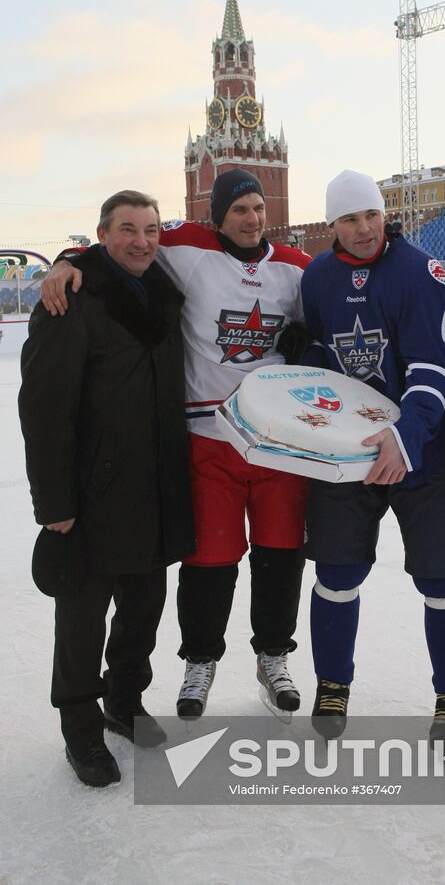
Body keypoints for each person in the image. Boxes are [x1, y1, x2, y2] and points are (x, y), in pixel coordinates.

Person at [38, 170, 310, 721]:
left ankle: (274, 655)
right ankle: (200, 660)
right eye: (238, 209)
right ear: (218, 216)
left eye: (257, 207)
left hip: (277, 442)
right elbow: (116, 250)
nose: (251, 218)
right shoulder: (182, 244)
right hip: (208, 435)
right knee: (209, 558)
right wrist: (67, 258)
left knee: (281, 552)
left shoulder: (298, 266)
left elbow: (342, 296)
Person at [19, 190, 195, 787]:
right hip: (93, 493)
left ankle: (125, 700)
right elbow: (44, 408)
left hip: (157, 485)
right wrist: (55, 505)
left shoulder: (163, 295)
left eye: (149, 229)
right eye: (127, 229)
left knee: (144, 608)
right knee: (83, 618)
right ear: (102, 235)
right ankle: (79, 725)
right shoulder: (72, 297)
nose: (141, 240)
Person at [300, 169, 445, 747]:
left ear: (384, 213)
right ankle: (333, 685)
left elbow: (433, 366)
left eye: (371, 214)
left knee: (443, 577)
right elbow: (322, 356)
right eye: (349, 218)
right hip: (351, 455)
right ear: (333, 225)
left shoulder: (418, 271)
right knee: (336, 573)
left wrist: (406, 437)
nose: (363, 228)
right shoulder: (318, 277)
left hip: (422, 451)